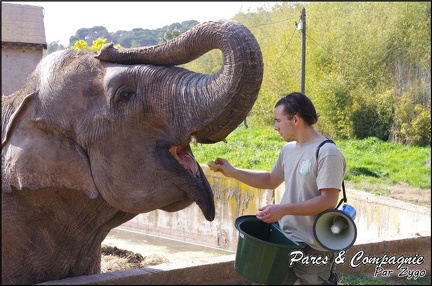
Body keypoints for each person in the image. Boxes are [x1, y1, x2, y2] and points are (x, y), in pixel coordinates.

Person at [212, 92, 346, 285]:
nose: (275, 127)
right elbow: (270, 180)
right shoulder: (288, 150)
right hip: (284, 239)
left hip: (314, 245)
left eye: (278, 121)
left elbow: (328, 200)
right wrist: (232, 172)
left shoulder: (327, 152)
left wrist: (283, 210)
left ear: (296, 119)